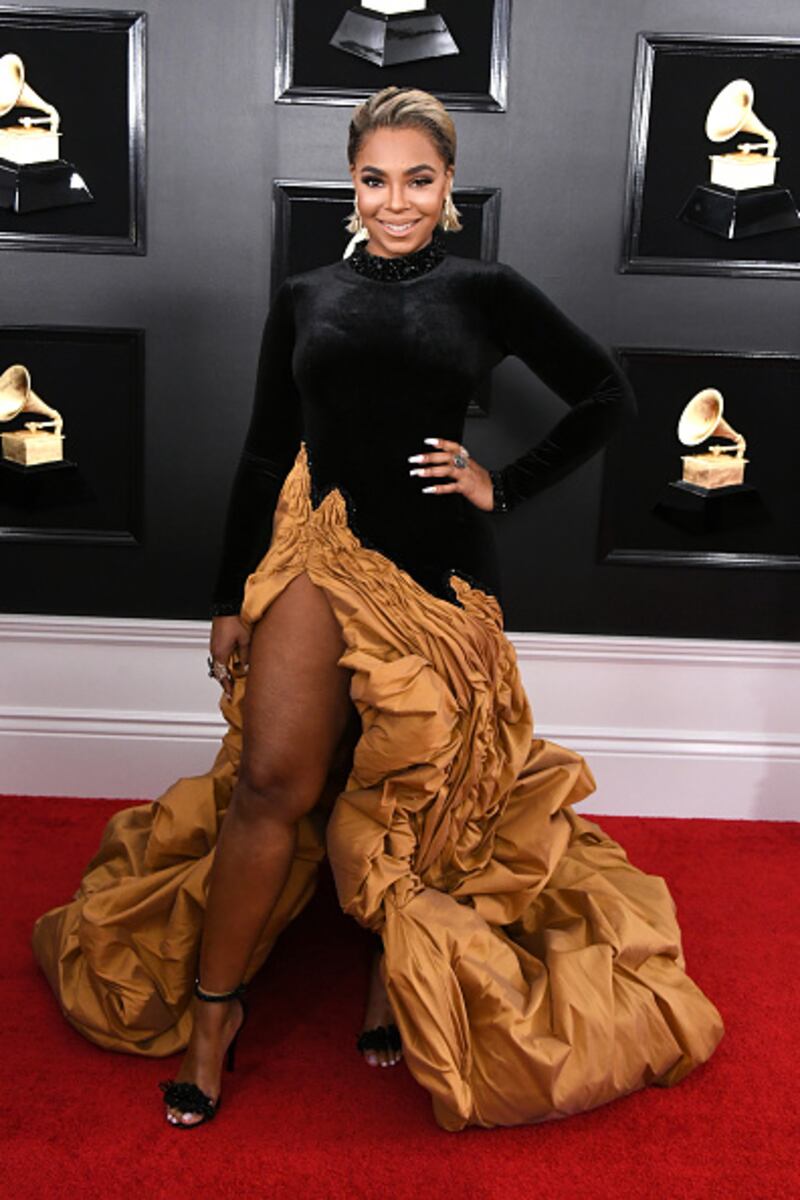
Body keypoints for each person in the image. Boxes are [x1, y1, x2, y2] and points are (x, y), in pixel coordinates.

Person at [32, 86, 724, 1133]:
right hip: (320, 546)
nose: (394, 201)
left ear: (449, 187)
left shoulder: (484, 289)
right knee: (274, 781)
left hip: (439, 568)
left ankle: (386, 977)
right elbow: (265, 449)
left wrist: (503, 482)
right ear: (349, 185)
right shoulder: (306, 293)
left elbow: (606, 394)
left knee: (411, 790)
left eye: (417, 180)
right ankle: (216, 1016)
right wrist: (228, 595)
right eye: (373, 180)